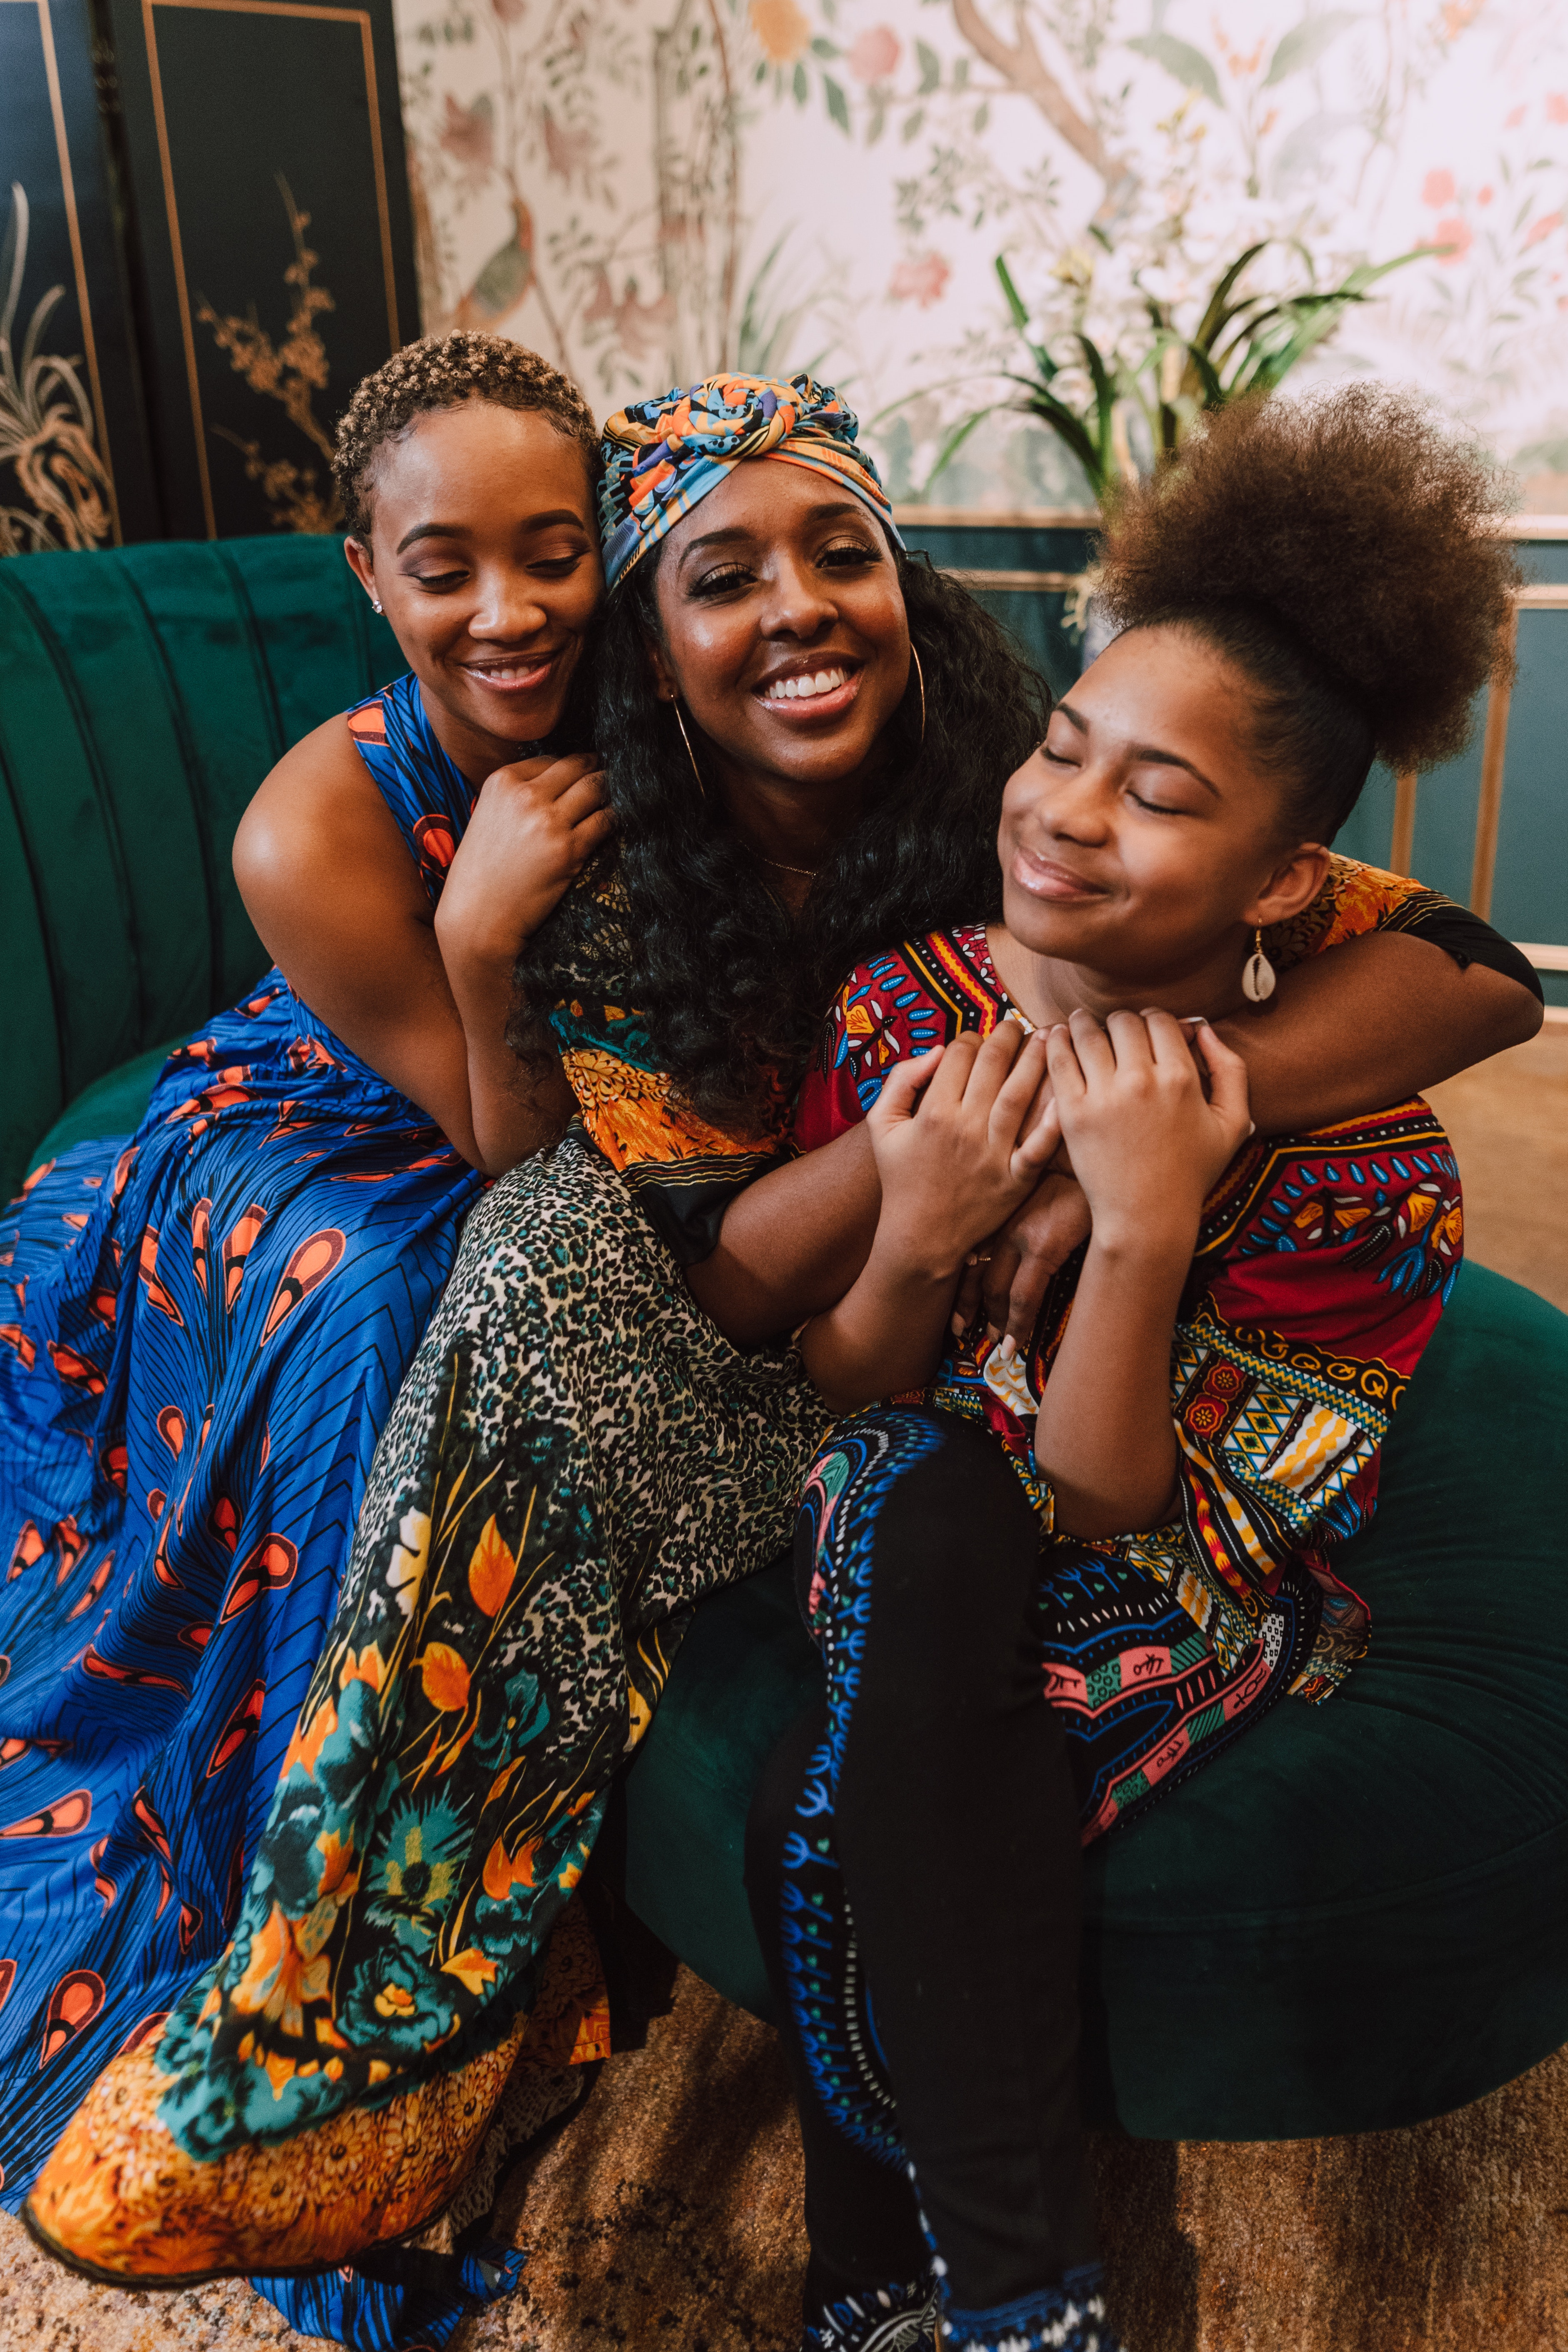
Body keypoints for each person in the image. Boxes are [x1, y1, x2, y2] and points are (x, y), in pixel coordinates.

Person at [23, 375, 1540, 2324]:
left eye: (843, 551)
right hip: (762, 1288)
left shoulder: (1023, 802)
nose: (802, 606)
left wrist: (1143, 1117)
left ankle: (962, 2275)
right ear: (648, 653)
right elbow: (699, 1269)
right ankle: (355, 2002)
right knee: (514, 1266)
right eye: (719, 576)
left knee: (868, 1582)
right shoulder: (607, 863)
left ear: (909, 583)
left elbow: (1475, 973)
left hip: (989, 1388)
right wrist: (913, 1178)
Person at [742, 384, 1519, 2352]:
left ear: (1285, 882)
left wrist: (1148, 1215)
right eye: (1065, 747)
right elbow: (849, 1384)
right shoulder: (902, 1009)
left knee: (845, 1744)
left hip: (1163, 1573)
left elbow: (1108, 1503)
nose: (1065, 813)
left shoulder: (1364, 1174)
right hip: (901, 1514)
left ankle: (923, 2284)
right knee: (897, 1539)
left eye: (1158, 796)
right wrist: (914, 1225)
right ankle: (974, 2289)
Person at [0, 331, 613, 2322]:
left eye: (553, 550)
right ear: (369, 573)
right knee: (397, 1310)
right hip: (328, 1125)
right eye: (444, 564)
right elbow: (509, 1147)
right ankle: (357, 1941)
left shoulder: (667, 682)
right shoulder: (308, 827)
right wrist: (482, 926)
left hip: (532, 1098)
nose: (505, 609)